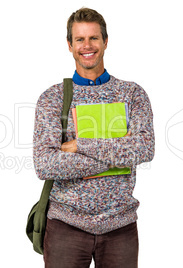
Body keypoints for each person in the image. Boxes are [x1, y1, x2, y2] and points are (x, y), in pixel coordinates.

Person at [33, 7, 155, 268]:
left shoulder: (132, 94)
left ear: (105, 41)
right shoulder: (52, 98)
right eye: (80, 39)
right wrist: (118, 156)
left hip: (120, 227)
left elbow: (144, 148)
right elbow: (45, 164)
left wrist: (81, 145)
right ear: (69, 45)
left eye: (94, 38)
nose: (87, 46)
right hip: (66, 226)